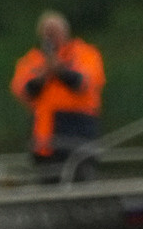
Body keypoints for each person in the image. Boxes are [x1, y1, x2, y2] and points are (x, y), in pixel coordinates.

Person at [10, 11, 104, 174]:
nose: (51, 36)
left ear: (65, 31)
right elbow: (23, 91)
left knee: (80, 175)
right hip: (44, 135)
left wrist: (59, 69)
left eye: (55, 31)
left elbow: (84, 83)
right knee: (47, 177)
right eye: (47, 32)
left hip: (78, 128)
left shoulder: (85, 54)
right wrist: (44, 74)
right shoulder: (31, 60)